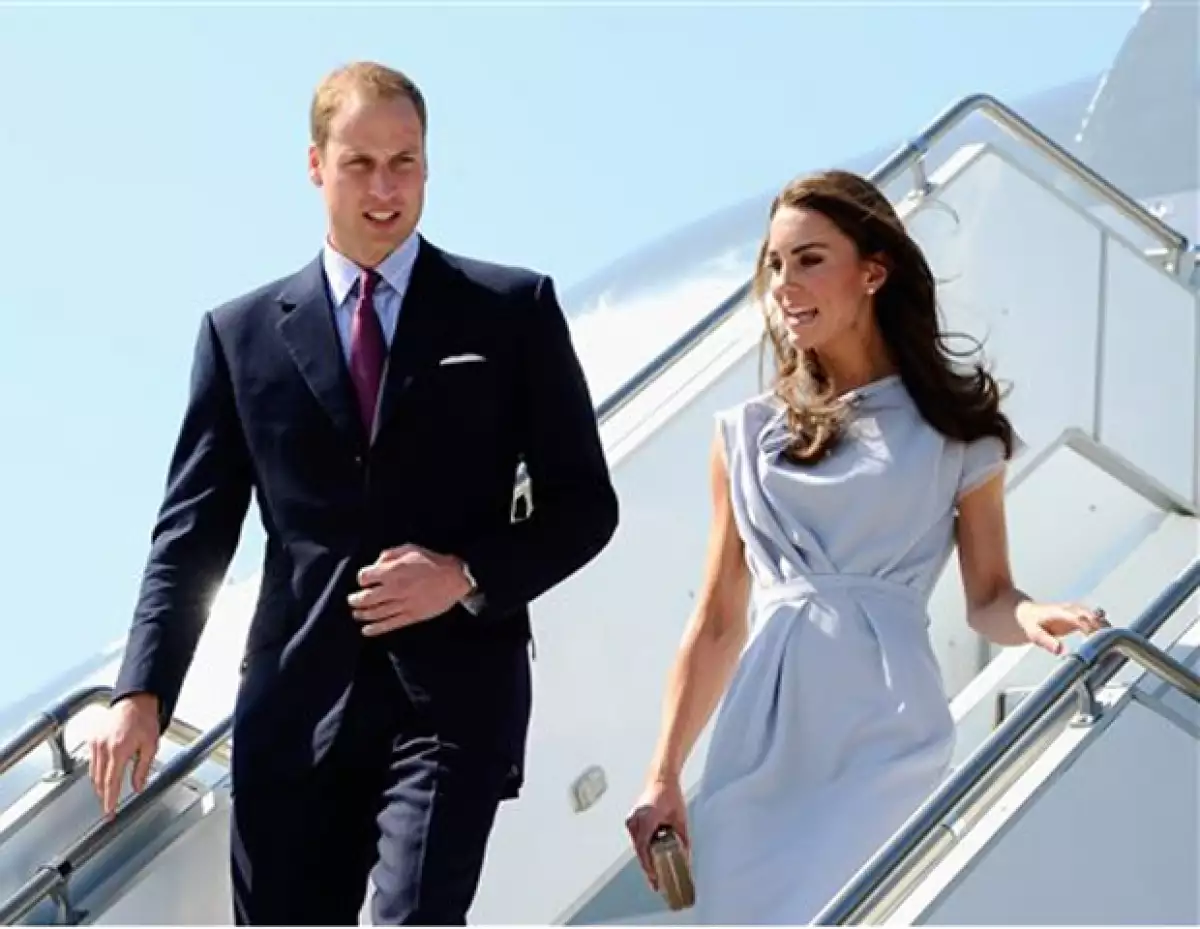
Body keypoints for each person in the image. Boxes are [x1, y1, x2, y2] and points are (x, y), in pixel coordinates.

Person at [86, 61, 619, 925]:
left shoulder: (510, 309)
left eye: (404, 162)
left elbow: (586, 505)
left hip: (452, 702)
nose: (384, 189)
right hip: (294, 706)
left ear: (428, 164)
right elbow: (191, 534)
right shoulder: (239, 336)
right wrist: (141, 690)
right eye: (360, 164)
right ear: (315, 165)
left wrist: (464, 573)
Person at [623, 169, 1107, 924]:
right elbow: (717, 621)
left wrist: (1032, 613)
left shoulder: (957, 432)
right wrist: (663, 772)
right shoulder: (746, 436)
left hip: (887, 731)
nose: (784, 284)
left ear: (873, 272)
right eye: (774, 264)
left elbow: (989, 596)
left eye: (810, 259)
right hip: (761, 742)